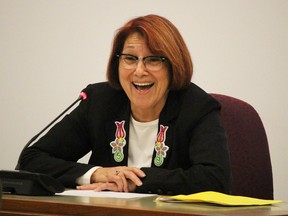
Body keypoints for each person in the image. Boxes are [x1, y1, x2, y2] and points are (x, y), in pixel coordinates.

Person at [19, 14, 231, 195]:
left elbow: (214, 179)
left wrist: (135, 181)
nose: (139, 71)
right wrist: (97, 173)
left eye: (153, 59)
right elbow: (31, 160)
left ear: (173, 66)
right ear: (117, 62)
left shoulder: (197, 107)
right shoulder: (99, 102)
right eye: (130, 58)